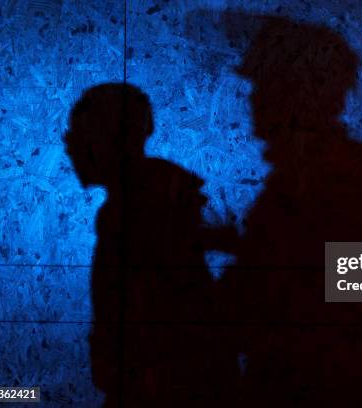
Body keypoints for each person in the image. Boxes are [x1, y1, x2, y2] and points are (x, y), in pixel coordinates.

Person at [217, 17, 362, 406]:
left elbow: (360, 304)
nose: (252, 99)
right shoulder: (306, 181)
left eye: (263, 85)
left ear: (296, 96)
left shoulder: (348, 182)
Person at [65, 83, 238, 406]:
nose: (70, 146)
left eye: (79, 135)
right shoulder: (150, 200)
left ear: (108, 140)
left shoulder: (148, 209)